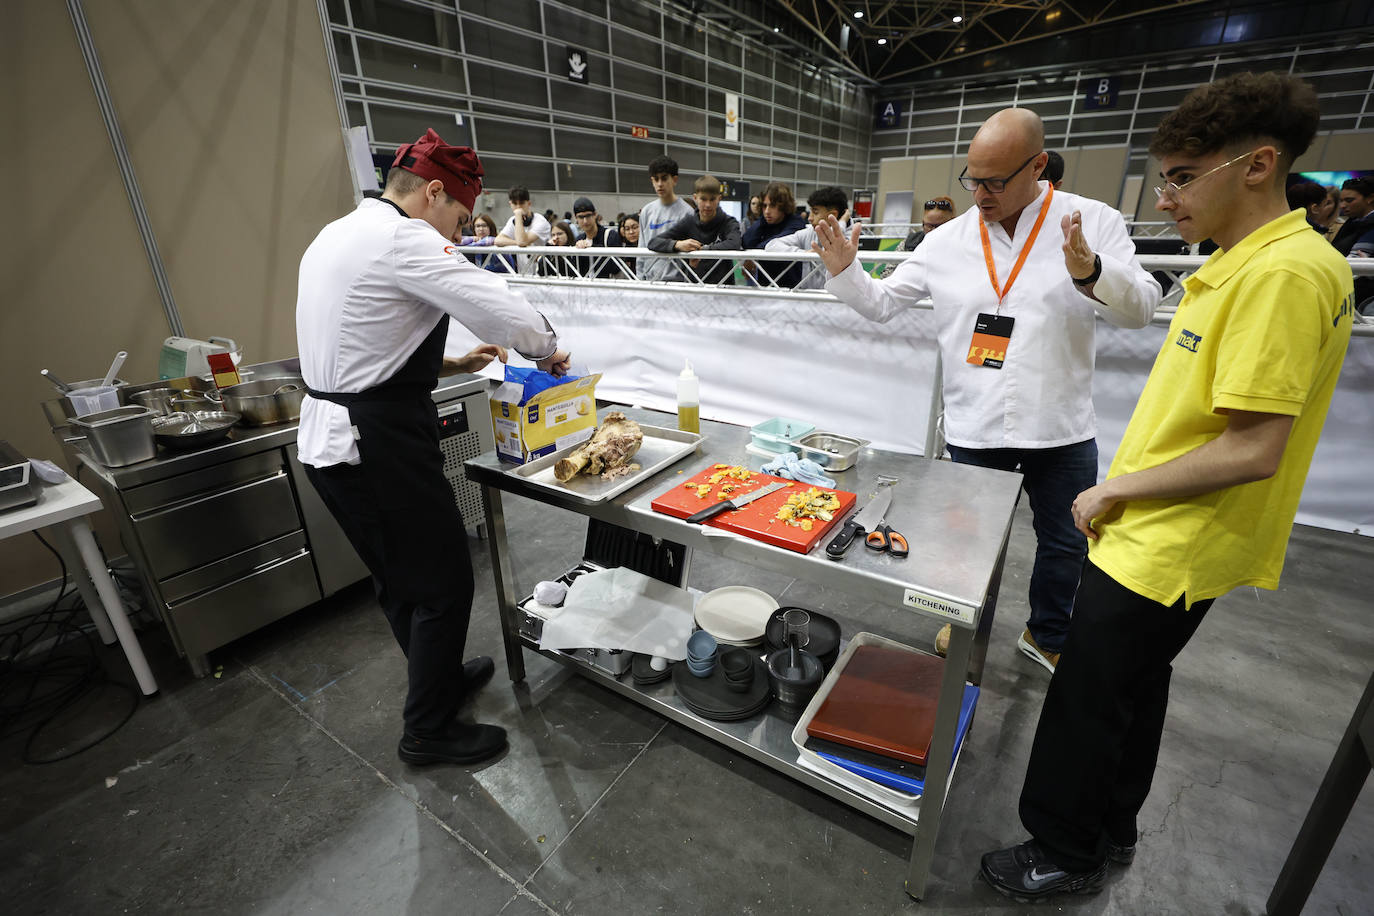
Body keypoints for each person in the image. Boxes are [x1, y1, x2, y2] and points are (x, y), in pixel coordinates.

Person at [979, 71, 1353, 903]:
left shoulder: (1283, 276)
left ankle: (1063, 847)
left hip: (1173, 537)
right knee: (1131, 693)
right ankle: (1110, 829)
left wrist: (1117, 492)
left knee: (1087, 694)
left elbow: (1255, 445)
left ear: (1257, 166)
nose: (1166, 196)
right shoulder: (1243, 264)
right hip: (1165, 528)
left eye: (1184, 177)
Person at [814, 107, 1161, 674]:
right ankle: (963, 622)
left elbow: (1143, 308)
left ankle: (1047, 633)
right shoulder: (946, 240)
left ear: (1039, 166)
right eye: (972, 179)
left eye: (995, 181)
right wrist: (847, 271)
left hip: (1061, 425)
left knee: (1066, 543)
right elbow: (881, 304)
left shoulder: (1089, 221)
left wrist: (1092, 270)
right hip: (975, 424)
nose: (981, 193)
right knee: (965, 543)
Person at [295, 129, 571, 768]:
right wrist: (548, 348)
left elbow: (356, 343)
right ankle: (427, 730)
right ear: (435, 190)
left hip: (331, 438)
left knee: (399, 579)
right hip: (375, 443)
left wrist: (450, 363)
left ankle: (437, 680)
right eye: (460, 216)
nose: (459, 231)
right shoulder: (403, 236)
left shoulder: (335, 232)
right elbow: (492, 302)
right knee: (445, 579)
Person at [647, 174, 741, 284]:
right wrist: (677, 244)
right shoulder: (688, 222)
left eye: (712, 199)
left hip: (723, 287)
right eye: (703, 199)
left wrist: (703, 251)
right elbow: (654, 242)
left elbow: (735, 243)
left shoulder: (729, 222)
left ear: (719, 199)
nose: (707, 205)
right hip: (694, 287)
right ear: (695, 198)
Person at [764, 186, 849, 289]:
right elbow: (771, 245)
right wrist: (803, 254)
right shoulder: (810, 232)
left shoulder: (853, 237)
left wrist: (840, 226)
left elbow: (834, 241)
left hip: (839, 302)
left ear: (833, 215)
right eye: (810, 212)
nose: (810, 218)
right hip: (808, 299)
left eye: (815, 212)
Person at [640, 155, 697, 281]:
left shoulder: (688, 212)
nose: (660, 184)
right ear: (652, 181)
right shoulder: (646, 211)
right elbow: (641, 249)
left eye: (664, 179)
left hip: (678, 282)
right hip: (649, 281)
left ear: (675, 180)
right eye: (656, 179)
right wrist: (639, 279)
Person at [742, 181, 807, 287]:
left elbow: (773, 245)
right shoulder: (765, 222)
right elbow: (746, 242)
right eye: (764, 206)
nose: (767, 211)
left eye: (772, 206)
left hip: (791, 287)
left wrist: (752, 256)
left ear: (783, 206)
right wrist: (762, 220)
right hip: (765, 285)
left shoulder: (796, 223)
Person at [880, 196, 958, 278]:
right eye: (929, 226)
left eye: (939, 226)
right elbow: (886, 274)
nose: (933, 231)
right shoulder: (908, 243)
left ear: (953, 222)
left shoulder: (961, 245)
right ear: (922, 222)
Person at [1331, 176, 1374, 256]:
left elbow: (1356, 259)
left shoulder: (1367, 225)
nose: (1342, 206)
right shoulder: (1352, 222)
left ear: (1370, 198)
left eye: (1349, 200)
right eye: (1341, 201)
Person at [607, 213, 641, 278]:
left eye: (635, 227)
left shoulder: (649, 247)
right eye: (627, 229)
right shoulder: (621, 250)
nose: (631, 232)